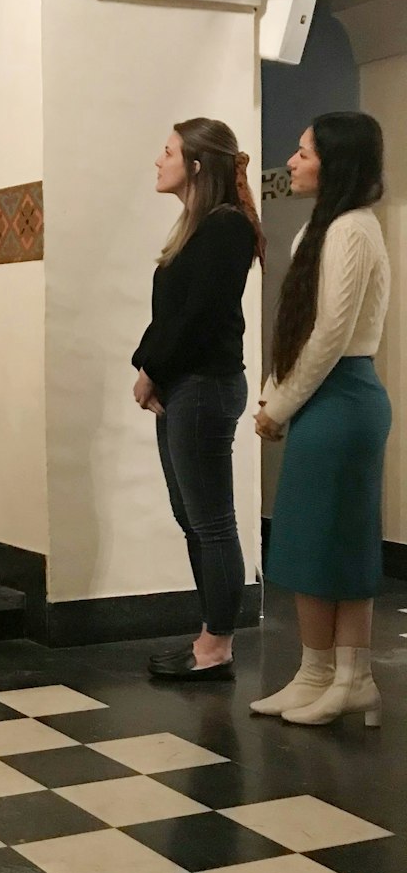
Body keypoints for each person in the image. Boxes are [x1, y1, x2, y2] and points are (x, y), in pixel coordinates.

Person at [253, 113, 391, 727]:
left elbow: (331, 335)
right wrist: (271, 393)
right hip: (320, 397)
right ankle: (314, 672)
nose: (294, 160)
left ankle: (354, 677)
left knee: (343, 543)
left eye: (305, 152)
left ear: (335, 163)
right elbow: (299, 328)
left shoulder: (354, 229)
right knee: (308, 541)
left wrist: (279, 404)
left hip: (344, 397)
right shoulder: (326, 225)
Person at [133, 118, 264, 682]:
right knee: (193, 518)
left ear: (196, 166)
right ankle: (209, 635)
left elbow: (200, 317)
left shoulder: (226, 228)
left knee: (212, 522)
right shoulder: (198, 225)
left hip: (204, 387)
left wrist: (151, 370)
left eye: (167, 152)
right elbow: (172, 316)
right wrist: (150, 367)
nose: (157, 161)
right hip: (184, 385)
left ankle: (217, 644)